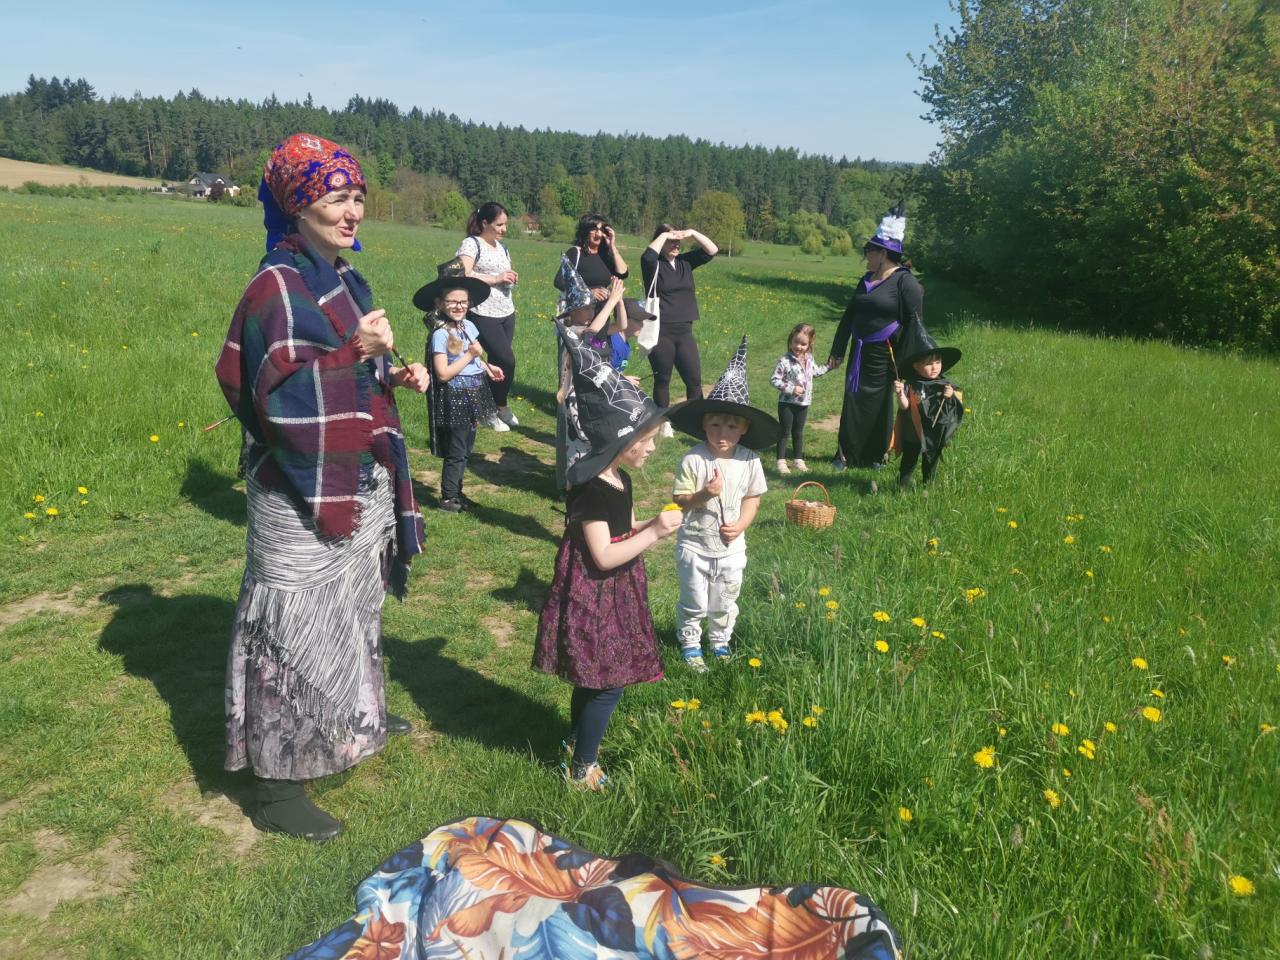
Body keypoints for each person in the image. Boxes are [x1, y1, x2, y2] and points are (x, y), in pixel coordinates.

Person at [215, 133, 429, 842]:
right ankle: (277, 787)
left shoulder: (343, 278)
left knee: (352, 610)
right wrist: (356, 353)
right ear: (298, 204)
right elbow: (271, 395)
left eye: (357, 196)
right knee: (291, 630)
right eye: (336, 197)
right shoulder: (274, 287)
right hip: (296, 487)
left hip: (354, 478)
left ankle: (353, 713)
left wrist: (388, 372)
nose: (352, 211)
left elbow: (345, 366)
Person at [533, 324, 683, 791]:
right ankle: (583, 768)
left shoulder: (619, 478)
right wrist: (654, 533)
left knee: (593, 677)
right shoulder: (592, 489)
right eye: (647, 439)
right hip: (593, 593)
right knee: (606, 682)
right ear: (620, 440)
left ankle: (575, 742)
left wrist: (652, 523)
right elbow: (601, 554)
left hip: (615, 591)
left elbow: (626, 528)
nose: (653, 447)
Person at [667, 338, 776, 673]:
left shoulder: (749, 461)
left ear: (744, 429)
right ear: (704, 424)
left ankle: (719, 642)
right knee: (695, 599)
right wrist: (705, 494)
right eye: (715, 424)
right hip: (695, 546)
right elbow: (680, 500)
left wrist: (741, 525)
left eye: (731, 425)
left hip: (731, 549)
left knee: (725, 600)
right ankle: (690, 643)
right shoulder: (694, 459)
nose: (722, 432)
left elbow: (753, 498)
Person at [825, 203, 922, 469]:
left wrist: (907, 363)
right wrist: (837, 349)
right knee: (852, 400)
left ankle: (876, 455)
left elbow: (915, 325)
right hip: (859, 352)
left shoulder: (905, 282)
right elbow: (849, 316)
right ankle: (844, 454)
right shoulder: (866, 279)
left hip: (885, 353)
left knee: (879, 404)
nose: (865, 255)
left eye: (869, 250)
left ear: (883, 253)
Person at [414, 258, 506, 512]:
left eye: (463, 302)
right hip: (455, 396)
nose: (459, 306)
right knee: (456, 450)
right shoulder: (441, 334)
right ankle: (448, 497)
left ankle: (458, 492)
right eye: (453, 301)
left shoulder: (469, 326)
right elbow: (443, 373)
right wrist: (470, 356)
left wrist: (488, 367)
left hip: (474, 392)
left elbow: (474, 357)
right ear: (439, 303)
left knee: (466, 447)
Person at [641, 225, 718, 433]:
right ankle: (663, 422)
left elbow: (712, 250)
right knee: (663, 379)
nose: (676, 245)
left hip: (685, 332)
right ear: (660, 242)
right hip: (661, 331)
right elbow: (647, 256)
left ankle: (695, 421)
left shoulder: (685, 262)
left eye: (678, 242)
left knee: (694, 380)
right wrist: (665, 234)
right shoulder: (653, 265)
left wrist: (692, 232)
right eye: (671, 241)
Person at [457, 202, 519, 432]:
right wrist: (495, 279)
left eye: (505, 225)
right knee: (507, 361)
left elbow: (502, 274)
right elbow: (462, 273)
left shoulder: (502, 247)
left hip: (506, 311)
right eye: (499, 225)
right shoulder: (472, 244)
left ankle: (493, 408)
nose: (504, 229)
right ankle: (496, 408)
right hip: (482, 312)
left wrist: (510, 278)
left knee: (498, 364)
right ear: (484, 223)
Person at [893, 326, 964, 489]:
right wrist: (900, 394)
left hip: (934, 433)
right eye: (928, 364)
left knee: (931, 461)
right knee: (909, 460)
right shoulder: (911, 385)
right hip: (913, 431)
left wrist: (950, 395)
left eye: (937, 362)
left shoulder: (945, 384)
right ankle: (902, 488)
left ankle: (928, 488)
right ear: (916, 366)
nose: (934, 367)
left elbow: (955, 407)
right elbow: (905, 407)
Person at [770, 322, 832, 475]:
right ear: (790, 341)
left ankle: (798, 460)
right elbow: (774, 379)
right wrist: (791, 389)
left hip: (803, 403)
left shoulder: (809, 358)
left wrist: (829, 366)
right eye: (795, 342)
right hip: (787, 403)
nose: (798, 346)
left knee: (798, 432)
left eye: (803, 344)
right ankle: (781, 461)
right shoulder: (784, 361)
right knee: (785, 431)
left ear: (809, 344)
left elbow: (815, 372)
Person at [554, 213, 629, 316]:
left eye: (602, 230)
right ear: (585, 231)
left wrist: (612, 247)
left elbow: (623, 274)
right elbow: (559, 281)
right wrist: (588, 292)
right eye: (594, 229)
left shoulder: (605, 256)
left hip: (601, 314)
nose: (598, 234)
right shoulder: (575, 252)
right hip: (578, 315)